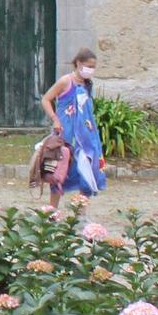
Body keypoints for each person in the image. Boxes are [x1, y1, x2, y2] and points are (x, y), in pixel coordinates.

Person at [42, 48, 106, 201]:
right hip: (66, 134)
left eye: (93, 67)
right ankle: (52, 213)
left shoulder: (86, 84)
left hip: (85, 137)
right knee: (59, 173)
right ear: (78, 63)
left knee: (87, 172)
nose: (90, 70)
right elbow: (46, 99)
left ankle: (80, 214)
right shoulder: (66, 81)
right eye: (88, 66)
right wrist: (55, 119)